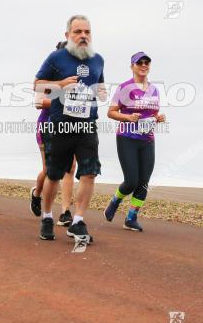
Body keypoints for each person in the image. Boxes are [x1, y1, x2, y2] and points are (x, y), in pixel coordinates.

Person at [34, 15, 105, 243]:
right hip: (61, 124)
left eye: (87, 32)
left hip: (86, 125)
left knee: (89, 171)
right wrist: (61, 85)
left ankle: (77, 221)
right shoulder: (56, 58)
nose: (83, 36)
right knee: (54, 174)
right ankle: (46, 216)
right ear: (68, 35)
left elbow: (100, 86)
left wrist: (100, 93)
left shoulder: (98, 60)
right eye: (77, 32)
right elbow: (37, 85)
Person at [104, 52, 165, 232]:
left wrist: (158, 118)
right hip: (127, 138)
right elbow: (111, 112)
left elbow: (152, 114)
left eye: (147, 62)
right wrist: (128, 117)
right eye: (140, 63)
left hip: (147, 139)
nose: (144, 65)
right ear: (132, 66)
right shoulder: (124, 88)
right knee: (131, 181)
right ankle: (115, 201)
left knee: (144, 182)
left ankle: (131, 218)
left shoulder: (155, 90)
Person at [30, 41, 76, 225]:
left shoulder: (76, 77)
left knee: (70, 168)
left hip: (69, 126)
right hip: (47, 125)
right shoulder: (48, 77)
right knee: (50, 170)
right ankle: (36, 194)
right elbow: (39, 103)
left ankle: (65, 212)